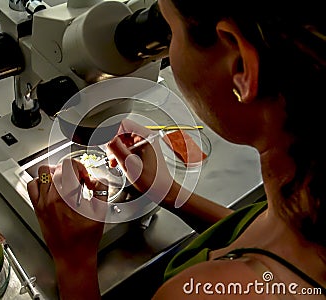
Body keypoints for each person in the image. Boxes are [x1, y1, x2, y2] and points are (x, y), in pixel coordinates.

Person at [27, 0, 326, 298]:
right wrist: (170, 194)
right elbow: (256, 234)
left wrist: (75, 265)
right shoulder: (305, 196)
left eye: (169, 31)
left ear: (240, 69)